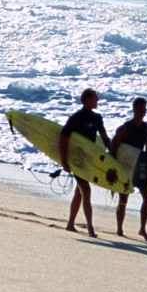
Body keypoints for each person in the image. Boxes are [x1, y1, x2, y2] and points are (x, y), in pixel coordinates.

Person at [58, 87, 110, 237]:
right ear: (87, 99)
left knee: (80, 192)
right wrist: (64, 160)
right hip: (76, 160)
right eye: (95, 97)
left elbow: (105, 137)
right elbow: (63, 139)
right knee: (86, 191)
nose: (98, 100)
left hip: (88, 160)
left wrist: (111, 155)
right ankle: (90, 229)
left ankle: (70, 224)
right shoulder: (75, 118)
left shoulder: (97, 118)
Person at [111, 96, 147, 241]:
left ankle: (142, 229)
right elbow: (113, 150)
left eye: (145, 110)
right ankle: (119, 228)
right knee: (123, 198)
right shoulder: (124, 129)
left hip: (140, 166)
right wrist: (113, 171)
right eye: (141, 109)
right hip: (125, 167)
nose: (143, 112)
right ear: (134, 110)